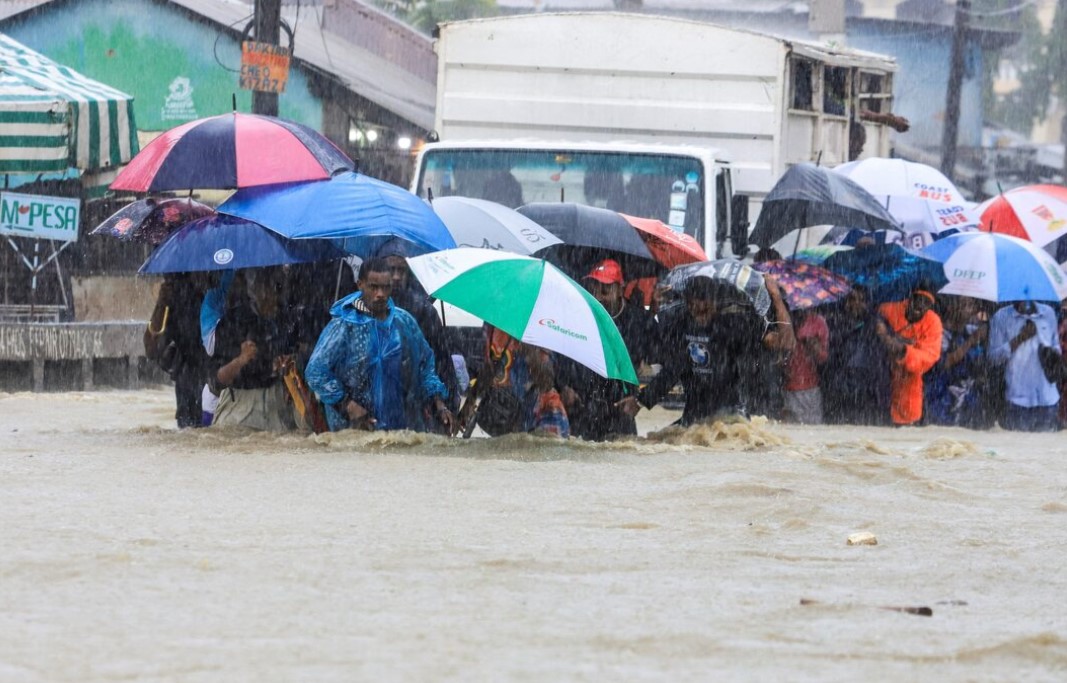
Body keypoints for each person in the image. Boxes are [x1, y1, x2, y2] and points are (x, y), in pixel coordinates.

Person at [618, 273, 794, 426]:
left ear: (715, 302)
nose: (699, 309)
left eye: (704, 304)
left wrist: (776, 297)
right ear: (687, 303)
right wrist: (640, 402)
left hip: (731, 418)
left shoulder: (735, 325)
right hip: (694, 417)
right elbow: (670, 371)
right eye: (693, 305)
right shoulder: (681, 325)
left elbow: (785, 343)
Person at [304, 258, 456, 433]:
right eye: (373, 287)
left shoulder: (404, 322)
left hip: (402, 428)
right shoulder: (344, 326)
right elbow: (315, 372)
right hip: (353, 430)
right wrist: (348, 406)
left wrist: (439, 404)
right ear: (360, 285)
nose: (380, 294)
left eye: (385, 287)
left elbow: (425, 365)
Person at [558, 259, 657, 440]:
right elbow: (561, 354)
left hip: (621, 411)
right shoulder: (579, 317)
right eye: (594, 289)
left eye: (605, 290)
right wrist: (563, 386)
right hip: (582, 409)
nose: (599, 297)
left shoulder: (639, 321)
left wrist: (641, 400)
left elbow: (667, 366)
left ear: (620, 289)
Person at [375, 238, 460, 416]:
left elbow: (437, 359)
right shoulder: (362, 309)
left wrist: (445, 403)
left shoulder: (423, 310)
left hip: (415, 401)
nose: (397, 277)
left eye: (402, 270)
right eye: (391, 270)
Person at [211, 268, 299, 431]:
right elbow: (217, 380)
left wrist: (288, 365)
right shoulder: (232, 322)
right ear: (255, 291)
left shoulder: (287, 320)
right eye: (264, 288)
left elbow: (294, 357)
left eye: (276, 291)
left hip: (277, 402)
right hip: (239, 404)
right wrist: (241, 360)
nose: (270, 298)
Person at [457, 325, 569, 438]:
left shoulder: (538, 327)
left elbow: (547, 382)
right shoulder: (492, 324)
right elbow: (489, 367)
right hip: (504, 413)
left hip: (542, 417)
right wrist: (470, 402)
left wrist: (529, 349)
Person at [144, 273, 211, 429]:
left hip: (220, 387)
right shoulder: (177, 294)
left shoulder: (223, 289)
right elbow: (151, 349)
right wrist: (161, 305)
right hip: (188, 391)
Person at [988, 300, 1061, 432]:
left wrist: (1051, 353)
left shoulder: (1048, 313)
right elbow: (993, 358)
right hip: (1017, 400)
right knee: (1018, 449)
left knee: (1045, 450)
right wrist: (1020, 338)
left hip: (1048, 398)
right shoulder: (1001, 317)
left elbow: (1056, 345)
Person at [823, 285, 891, 425]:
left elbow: (887, 350)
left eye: (861, 300)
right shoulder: (835, 320)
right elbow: (830, 349)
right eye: (852, 299)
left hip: (870, 388)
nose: (856, 304)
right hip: (840, 387)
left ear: (867, 303)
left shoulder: (877, 322)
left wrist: (884, 335)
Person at [876, 289, 943, 426]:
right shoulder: (890, 309)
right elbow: (877, 317)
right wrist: (881, 331)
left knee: (906, 428)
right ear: (910, 299)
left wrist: (902, 349)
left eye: (926, 303)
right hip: (880, 375)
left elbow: (930, 356)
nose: (920, 305)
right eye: (917, 299)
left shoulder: (933, 322)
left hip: (910, 386)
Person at [923, 296, 991, 428]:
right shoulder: (939, 332)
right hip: (941, 395)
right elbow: (945, 363)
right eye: (964, 304)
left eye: (971, 305)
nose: (968, 309)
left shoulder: (971, 330)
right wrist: (971, 341)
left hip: (967, 399)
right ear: (951, 307)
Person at [782, 307, 829, 424]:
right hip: (787, 387)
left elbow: (823, 357)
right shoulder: (783, 318)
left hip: (810, 387)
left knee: (812, 431)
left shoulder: (817, 322)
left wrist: (812, 344)